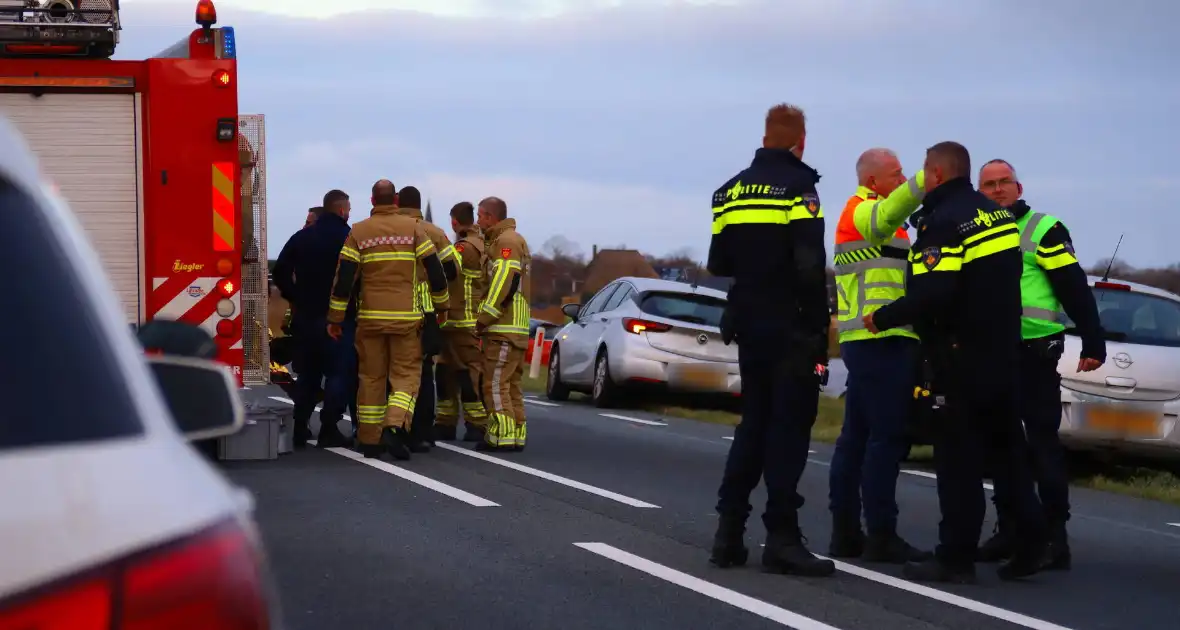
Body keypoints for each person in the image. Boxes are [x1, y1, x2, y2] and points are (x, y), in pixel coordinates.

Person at [866, 141, 1046, 583]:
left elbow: (934, 294)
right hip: (1004, 354)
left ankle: (955, 556)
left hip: (961, 358)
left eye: (925, 173)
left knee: (958, 461)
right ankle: (1032, 543)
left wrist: (883, 316)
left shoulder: (944, 222)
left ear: (938, 175)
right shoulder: (997, 216)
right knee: (1007, 456)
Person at [706, 103, 834, 577]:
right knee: (789, 430)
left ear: (765, 137)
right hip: (790, 324)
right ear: (801, 141)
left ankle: (729, 534)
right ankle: (781, 536)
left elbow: (719, 262)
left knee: (753, 425)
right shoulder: (800, 187)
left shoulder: (729, 191)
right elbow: (808, 265)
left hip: (749, 320)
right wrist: (818, 331)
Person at [976, 158, 1105, 570]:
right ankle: (1011, 530)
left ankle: (1055, 538)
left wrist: (1093, 340)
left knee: (1041, 444)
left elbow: (1073, 287)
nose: (997, 190)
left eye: (1004, 183)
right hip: (994, 350)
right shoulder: (978, 227)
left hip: (1034, 350)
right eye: (989, 184)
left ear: (1018, 186)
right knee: (1001, 444)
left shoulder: (1043, 229)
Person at [828, 148, 929, 563]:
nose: (903, 180)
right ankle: (880, 534)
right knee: (884, 440)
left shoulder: (879, 218)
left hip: (871, 341)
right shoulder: (861, 210)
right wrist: (928, 179)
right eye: (897, 174)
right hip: (879, 339)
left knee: (857, 439)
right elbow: (887, 217)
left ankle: (847, 534)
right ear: (874, 182)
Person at [327, 180, 449, 460]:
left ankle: (370, 441)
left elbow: (344, 278)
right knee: (406, 378)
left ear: (372, 200)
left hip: (369, 319)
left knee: (370, 378)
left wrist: (335, 317)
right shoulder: (414, 229)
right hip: (406, 319)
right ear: (395, 200)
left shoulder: (358, 232)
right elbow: (435, 271)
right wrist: (442, 307)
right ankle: (394, 426)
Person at [271, 192, 355, 449]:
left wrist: (294, 296)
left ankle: (300, 426)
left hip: (306, 316)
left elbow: (280, 271)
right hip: (339, 318)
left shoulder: (302, 238)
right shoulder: (350, 238)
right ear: (341, 211)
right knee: (339, 373)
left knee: (308, 374)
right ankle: (329, 427)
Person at [393, 185, 459, 452]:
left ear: (398, 203)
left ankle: (391, 429)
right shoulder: (434, 232)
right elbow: (453, 268)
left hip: (385, 311)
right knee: (422, 373)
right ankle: (421, 432)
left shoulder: (387, 230)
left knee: (389, 374)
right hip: (425, 312)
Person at [474, 196, 532, 451]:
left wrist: (483, 318)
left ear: (490, 216)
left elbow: (503, 283)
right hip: (515, 326)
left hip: (502, 327)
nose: (477, 221)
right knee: (511, 384)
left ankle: (502, 436)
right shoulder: (509, 240)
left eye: (480, 216)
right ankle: (517, 433)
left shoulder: (506, 243)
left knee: (494, 383)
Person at [435, 201, 490, 442]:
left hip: (462, 321)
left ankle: (476, 423)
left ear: (455, 222)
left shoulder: (464, 248)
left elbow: (444, 272)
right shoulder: (483, 244)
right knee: (446, 372)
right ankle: (446, 422)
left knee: (467, 374)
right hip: (458, 322)